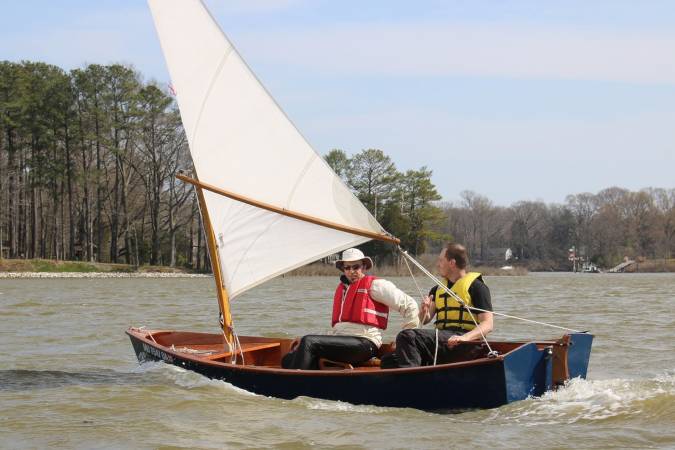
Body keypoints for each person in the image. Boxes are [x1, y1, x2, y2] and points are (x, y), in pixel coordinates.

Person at [281, 248, 419, 370]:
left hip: (365, 344)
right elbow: (341, 328)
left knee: (309, 342)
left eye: (356, 267)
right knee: (287, 359)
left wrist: (405, 339)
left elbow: (410, 305)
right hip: (343, 343)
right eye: (347, 268)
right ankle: (315, 383)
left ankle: (295, 386)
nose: (351, 271)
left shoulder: (376, 285)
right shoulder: (343, 289)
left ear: (364, 267)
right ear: (343, 269)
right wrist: (306, 339)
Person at [381, 243, 493, 368]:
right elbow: (426, 318)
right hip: (442, 342)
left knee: (406, 336)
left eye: (441, 260)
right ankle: (421, 375)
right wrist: (424, 310)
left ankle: (412, 381)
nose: (437, 264)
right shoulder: (437, 289)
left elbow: (487, 324)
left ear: (452, 263)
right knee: (388, 360)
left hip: (465, 343)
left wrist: (465, 338)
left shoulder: (477, 287)